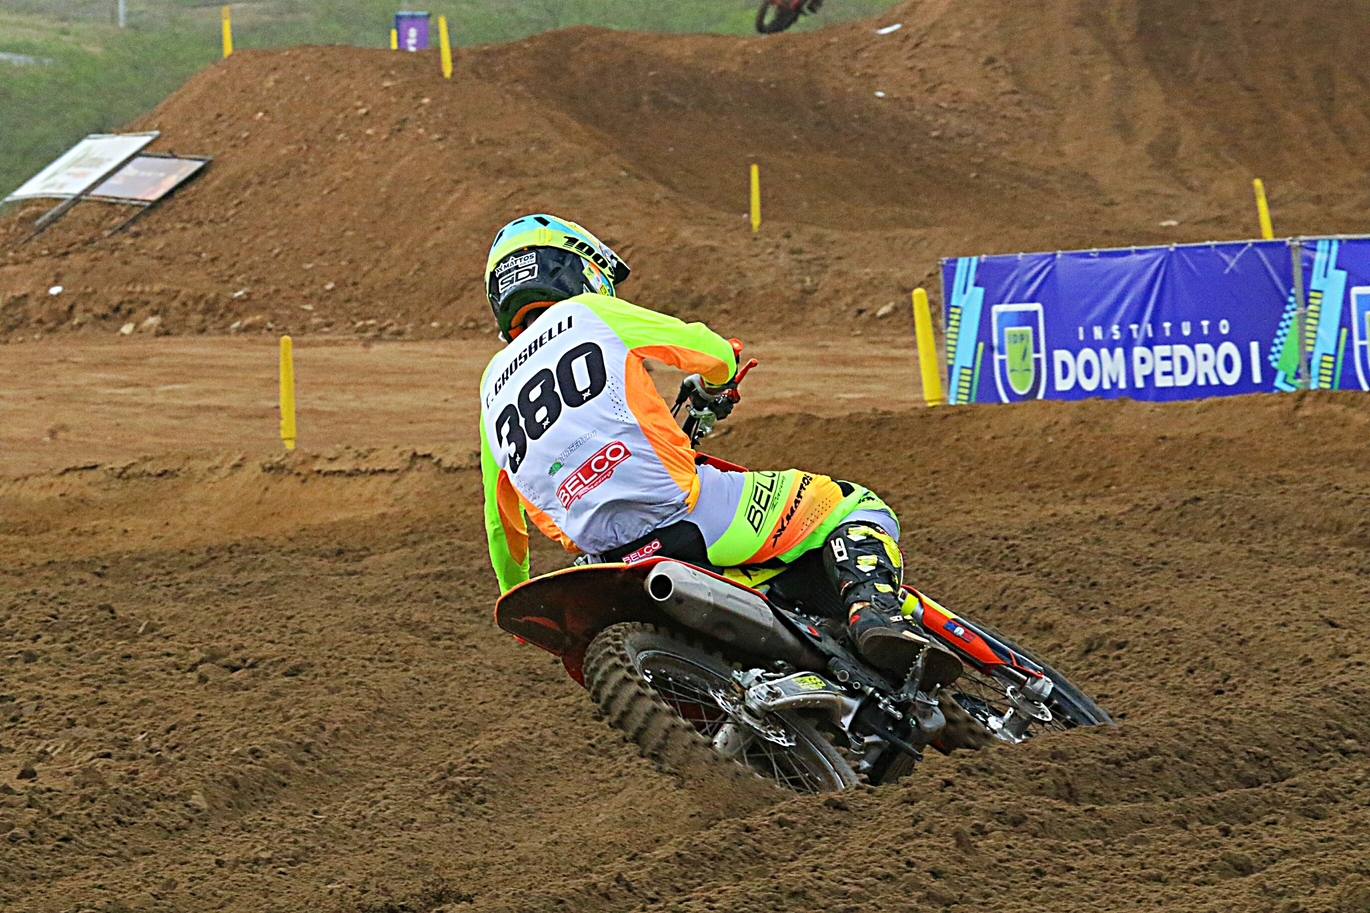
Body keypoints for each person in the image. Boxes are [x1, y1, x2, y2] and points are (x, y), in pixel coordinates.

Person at [479, 214, 930, 677]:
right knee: (851, 505)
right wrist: (717, 382)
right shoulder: (589, 313)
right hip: (688, 513)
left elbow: (500, 521)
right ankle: (875, 614)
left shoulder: (490, 387)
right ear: (576, 269)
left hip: (602, 562)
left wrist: (515, 595)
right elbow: (709, 350)